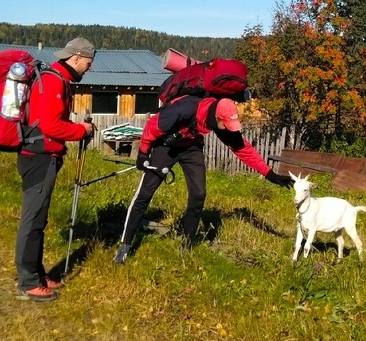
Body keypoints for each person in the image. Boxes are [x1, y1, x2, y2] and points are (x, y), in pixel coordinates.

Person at [113, 94, 294, 264]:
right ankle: (125, 244)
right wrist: (143, 154)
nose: (228, 129)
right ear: (218, 118)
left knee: (199, 194)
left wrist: (270, 175)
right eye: (227, 125)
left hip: (191, 148)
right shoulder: (183, 110)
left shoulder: (218, 120)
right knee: (145, 193)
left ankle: (188, 244)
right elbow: (153, 126)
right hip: (165, 147)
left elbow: (243, 149)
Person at [14, 37, 97, 302]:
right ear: (75, 58)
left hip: (41, 156)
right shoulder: (53, 82)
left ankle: (37, 275)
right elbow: (51, 126)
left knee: (38, 219)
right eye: (88, 62)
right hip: (39, 158)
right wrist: (81, 130)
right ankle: (27, 282)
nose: (88, 68)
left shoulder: (55, 79)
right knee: (33, 219)